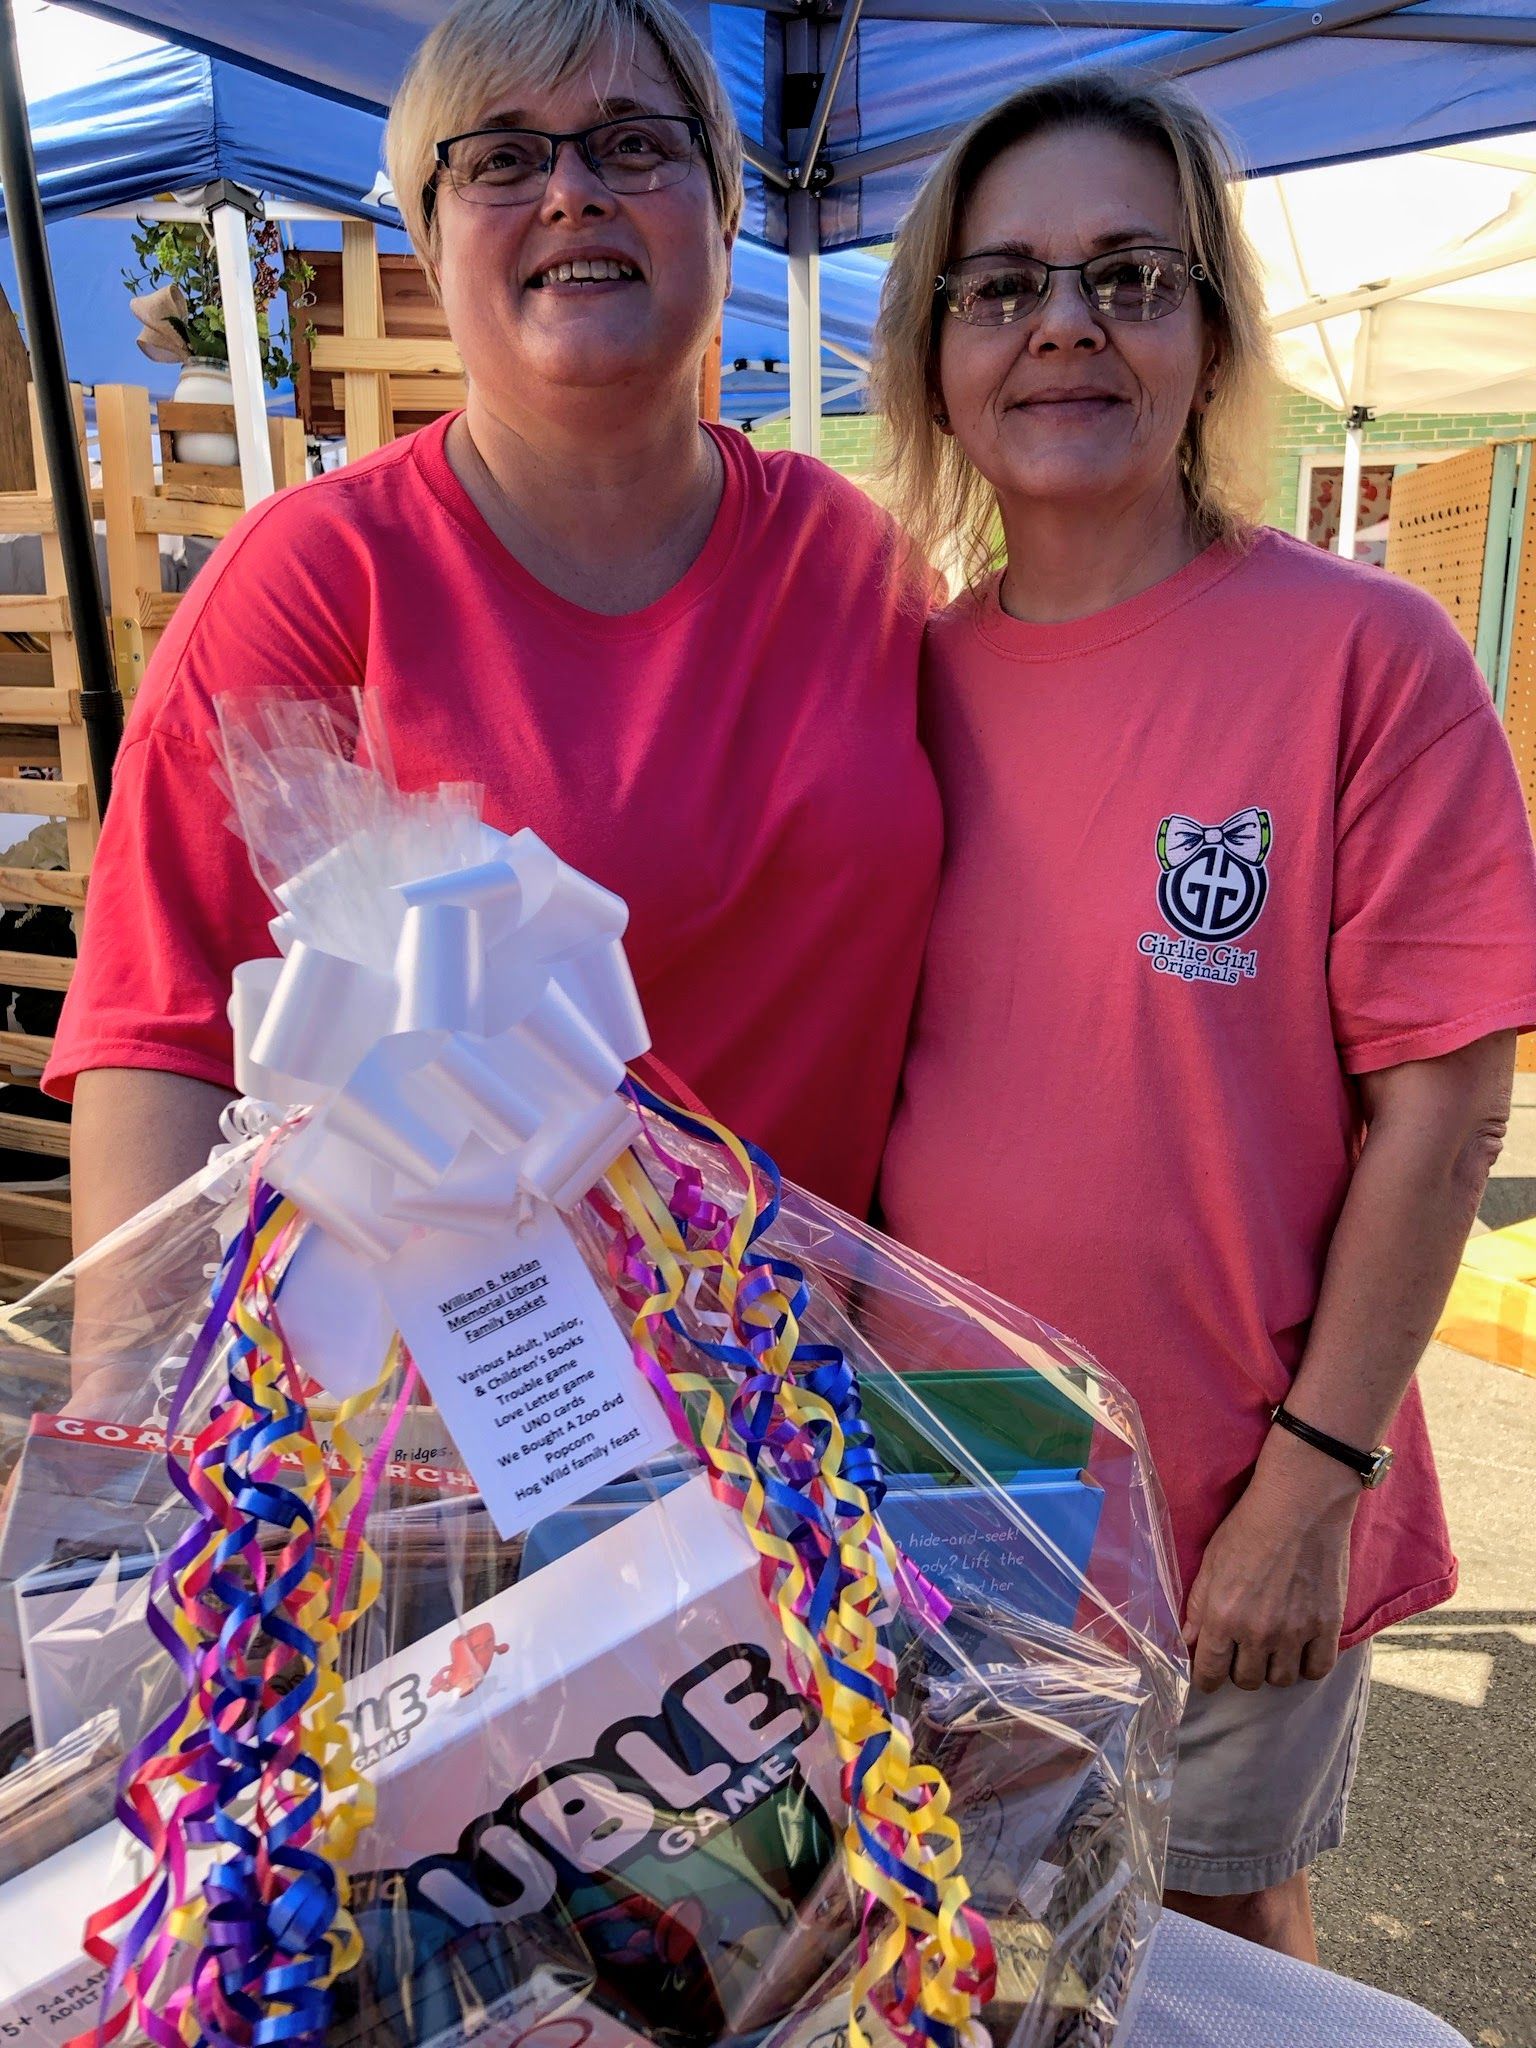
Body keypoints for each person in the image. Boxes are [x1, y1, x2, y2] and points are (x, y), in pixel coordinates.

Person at [873, 71, 1536, 1958]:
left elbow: (1446, 1109)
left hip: (1230, 1484)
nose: (1063, 323)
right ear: (932, 353)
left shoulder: (1360, 655)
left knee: (1212, 1945)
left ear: (1209, 335)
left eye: (1127, 276)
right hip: (951, 1481)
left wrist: (1312, 1487)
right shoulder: (900, 681)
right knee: (969, 1940)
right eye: (1001, 285)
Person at [45, 0, 940, 1256]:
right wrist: (131, 1414)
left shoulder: (857, 562)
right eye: (502, 159)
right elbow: (166, 1039)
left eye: (634, 144)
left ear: (727, 208)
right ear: (427, 234)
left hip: (810, 1407)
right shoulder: (314, 577)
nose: (572, 193)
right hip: (439, 1422)